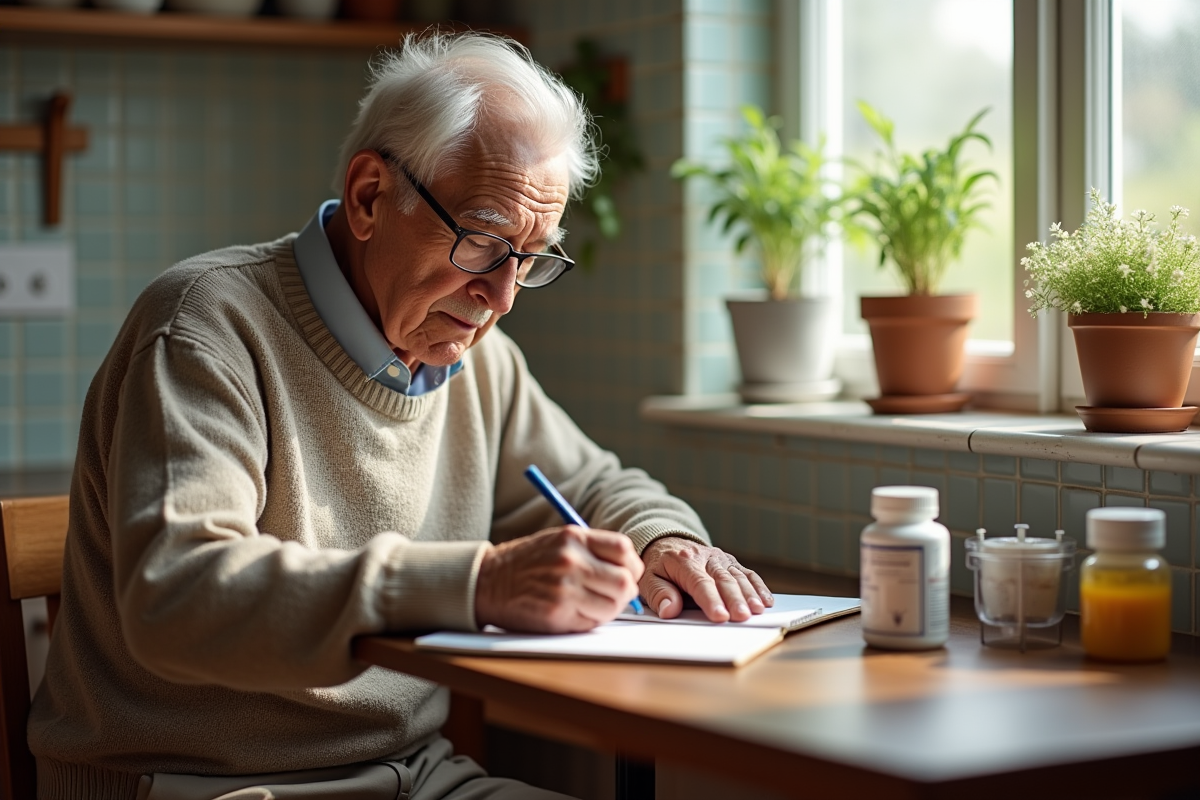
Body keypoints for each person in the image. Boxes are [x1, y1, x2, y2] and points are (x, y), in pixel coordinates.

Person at [28, 31, 774, 800]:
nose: (503, 297)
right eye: (484, 241)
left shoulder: (474, 359)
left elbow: (592, 485)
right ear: (369, 197)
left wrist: (665, 540)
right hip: (196, 785)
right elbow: (179, 598)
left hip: (414, 777)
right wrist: (477, 583)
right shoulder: (205, 326)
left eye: (531, 258)